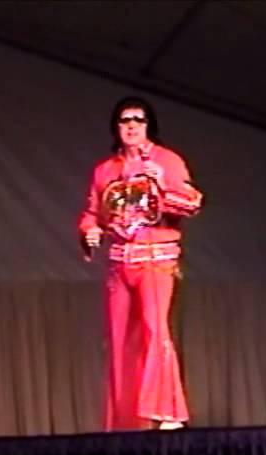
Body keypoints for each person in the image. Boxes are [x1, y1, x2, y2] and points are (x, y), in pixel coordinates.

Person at [78, 96, 203, 431]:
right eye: (124, 120)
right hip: (120, 264)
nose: (131, 126)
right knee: (119, 341)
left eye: (138, 119)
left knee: (154, 329)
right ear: (116, 128)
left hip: (156, 260)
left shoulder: (168, 160)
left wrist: (160, 184)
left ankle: (167, 411)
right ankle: (126, 421)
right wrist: (89, 231)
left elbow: (191, 204)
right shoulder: (105, 170)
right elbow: (93, 213)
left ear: (149, 125)